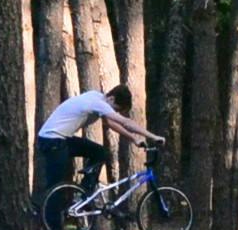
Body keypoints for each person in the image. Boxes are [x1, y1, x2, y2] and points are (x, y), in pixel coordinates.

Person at [35, 84, 158, 218]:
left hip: (59, 138)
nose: (114, 113)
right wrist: (153, 136)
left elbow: (110, 123)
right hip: (52, 141)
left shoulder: (96, 96)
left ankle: (85, 192)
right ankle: (52, 228)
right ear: (111, 99)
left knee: (100, 152)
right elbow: (125, 122)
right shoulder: (99, 103)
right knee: (56, 186)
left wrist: (134, 138)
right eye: (115, 109)